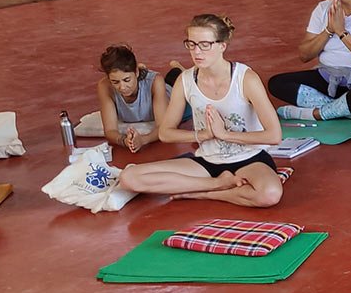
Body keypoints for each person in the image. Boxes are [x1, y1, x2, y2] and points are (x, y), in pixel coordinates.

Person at [118, 14, 285, 208]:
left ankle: (204, 194)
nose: (197, 51)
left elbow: (274, 135)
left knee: (270, 194)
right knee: (129, 177)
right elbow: (165, 132)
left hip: (249, 159)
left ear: (222, 45)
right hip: (206, 160)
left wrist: (225, 134)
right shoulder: (185, 80)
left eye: (205, 44)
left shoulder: (246, 79)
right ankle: (217, 184)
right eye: (191, 44)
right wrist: (203, 134)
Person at [94, 44, 181, 153]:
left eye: (127, 80)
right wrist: (125, 141)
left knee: (175, 79)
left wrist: (143, 140)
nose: (122, 87)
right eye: (115, 82)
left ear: (136, 72)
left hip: (169, 92)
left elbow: (163, 128)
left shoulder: (155, 82)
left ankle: (178, 68)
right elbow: (110, 130)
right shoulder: (105, 86)